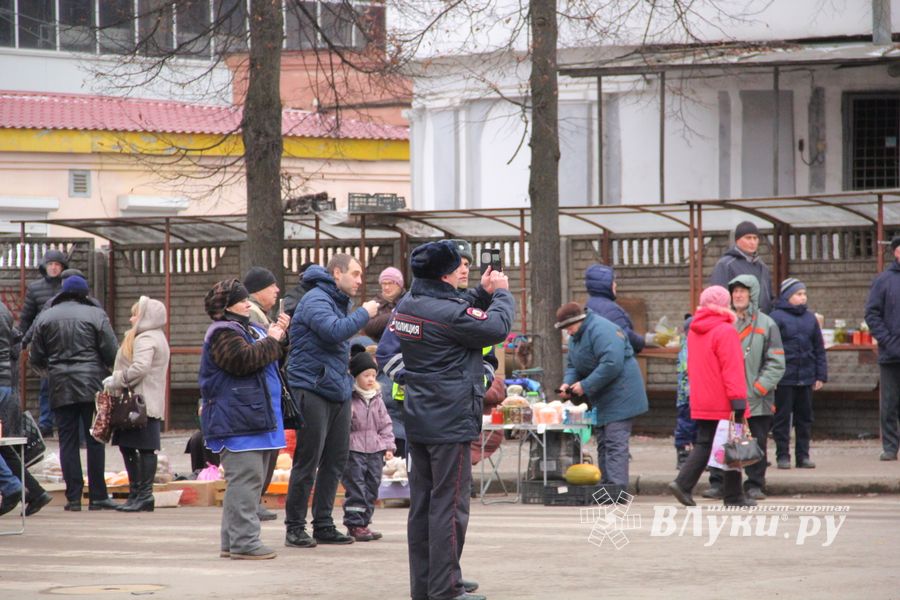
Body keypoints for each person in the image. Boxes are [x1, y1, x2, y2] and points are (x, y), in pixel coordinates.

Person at [393, 240, 514, 600]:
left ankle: (427, 586)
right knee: (450, 508)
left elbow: (454, 312)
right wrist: (502, 295)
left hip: (420, 419)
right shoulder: (445, 313)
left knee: (424, 506)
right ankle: (447, 589)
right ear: (444, 273)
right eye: (458, 265)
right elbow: (495, 328)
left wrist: (481, 291)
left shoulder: (408, 305)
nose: (464, 269)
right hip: (451, 420)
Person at [284, 255, 379, 548]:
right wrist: (364, 313)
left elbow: (335, 341)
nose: (360, 280)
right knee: (308, 460)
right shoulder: (316, 299)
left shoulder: (335, 300)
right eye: (355, 273)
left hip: (335, 389)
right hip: (311, 388)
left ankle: (323, 524)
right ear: (336, 273)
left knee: (336, 460)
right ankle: (295, 527)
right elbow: (334, 331)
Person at [199, 279, 289, 560]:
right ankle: (245, 542)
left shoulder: (250, 328)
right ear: (226, 306)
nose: (248, 303)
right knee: (246, 480)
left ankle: (233, 541)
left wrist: (280, 336)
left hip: (254, 418)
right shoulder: (222, 333)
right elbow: (242, 361)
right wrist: (272, 340)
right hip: (238, 421)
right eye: (241, 300)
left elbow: (271, 358)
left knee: (250, 480)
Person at [29, 275, 119, 511]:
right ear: (84, 294)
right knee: (95, 439)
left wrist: (51, 372)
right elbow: (112, 352)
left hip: (59, 385)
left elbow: (35, 356)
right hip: (91, 383)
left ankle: (73, 498)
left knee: (67, 442)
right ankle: (98, 495)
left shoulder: (46, 316)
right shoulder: (96, 315)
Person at [704, 275, 784, 502]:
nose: (738, 295)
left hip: (757, 397)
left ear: (753, 294)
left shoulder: (767, 324)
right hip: (726, 397)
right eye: (735, 291)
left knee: (755, 440)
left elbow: (776, 362)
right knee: (723, 440)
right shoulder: (723, 322)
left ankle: (755, 484)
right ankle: (719, 483)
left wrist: (757, 388)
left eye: (743, 291)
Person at [668, 285, 749, 508]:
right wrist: (738, 399)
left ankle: (691, 485)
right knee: (733, 445)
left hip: (702, 398)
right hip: (725, 399)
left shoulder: (694, 330)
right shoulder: (725, 331)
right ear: (724, 305)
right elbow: (731, 368)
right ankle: (730, 496)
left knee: (707, 443)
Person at [557, 302, 648, 490]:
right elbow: (573, 365)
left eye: (569, 328)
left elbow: (611, 364)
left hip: (621, 393)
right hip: (602, 395)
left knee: (614, 441)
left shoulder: (602, 330)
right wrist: (568, 383)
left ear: (579, 320)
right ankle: (606, 485)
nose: (569, 333)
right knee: (604, 442)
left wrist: (585, 385)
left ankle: (616, 488)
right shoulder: (577, 336)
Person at [103, 296, 170, 512]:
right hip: (146, 402)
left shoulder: (145, 338)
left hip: (139, 404)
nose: (131, 319)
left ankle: (142, 495)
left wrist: (117, 379)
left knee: (139, 448)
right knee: (135, 447)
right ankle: (138, 494)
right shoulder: (156, 336)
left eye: (135, 314)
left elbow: (141, 368)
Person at [243, 266, 286, 522]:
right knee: (264, 448)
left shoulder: (261, 315)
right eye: (272, 286)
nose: (277, 290)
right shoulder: (254, 317)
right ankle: (254, 501)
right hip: (262, 394)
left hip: (266, 393)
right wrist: (277, 338)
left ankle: (255, 500)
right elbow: (263, 353)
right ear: (258, 290)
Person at [0, 300, 52, 516]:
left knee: (3, 445)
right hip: (6, 384)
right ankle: (34, 491)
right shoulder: (3, 310)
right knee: (3, 446)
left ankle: (13, 487)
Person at [770, 278, 827, 469]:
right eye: (798, 294)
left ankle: (802, 456)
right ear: (788, 296)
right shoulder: (776, 318)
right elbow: (770, 348)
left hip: (806, 377)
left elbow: (819, 348)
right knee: (782, 419)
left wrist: (820, 375)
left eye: (804, 294)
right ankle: (782, 456)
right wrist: (772, 376)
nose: (803, 297)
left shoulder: (810, 318)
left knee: (805, 418)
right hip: (784, 378)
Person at [341, 348, 395, 542]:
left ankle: (364, 522)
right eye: (366, 375)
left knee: (372, 485)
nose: (371, 379)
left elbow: (385, 423)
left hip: (375, 449)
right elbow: (344, 424)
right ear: (355, 377)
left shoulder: (377, 399)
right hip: (354, 449)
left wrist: (388, 446)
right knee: (356, 486)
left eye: (373, 375)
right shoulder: (350, 399)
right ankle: (354, 523)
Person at [18, 249, 69, 436]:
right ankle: (46, 424)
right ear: (44, 267)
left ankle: (63, 424)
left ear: (63, 267)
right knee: (46, 384)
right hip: (45, 343)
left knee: (68, 386)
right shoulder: (35, 288)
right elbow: (26, 317)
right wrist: (21, 340)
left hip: (67, 342)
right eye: (51, 264)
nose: (54, 268)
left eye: (57, 264)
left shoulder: (67, 286)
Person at [864, 234, 900, 462]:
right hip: (890, 355)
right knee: (889, 403)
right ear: (896, 251)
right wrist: (889, 341)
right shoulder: (883, 280)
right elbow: (872, 314)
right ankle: (889, 446)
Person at [710, 221, 774, 314]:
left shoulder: (763, 267)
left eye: (755, 238)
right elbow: (718, 299)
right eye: (748, 238)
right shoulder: (725, 265)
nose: (752, 242)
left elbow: (768, 298)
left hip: (761, 323)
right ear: (737, 240)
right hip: (737, 322)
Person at [583, 263, 645, 353]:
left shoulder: (590, 304)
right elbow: (624, 335)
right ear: (605, 285)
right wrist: (642, 341)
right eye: (613, 282)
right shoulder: (609, 309)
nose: (615, 285)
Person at [674, 315, 696, 469]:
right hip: (686, 397)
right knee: (686, 425)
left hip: (695, 395)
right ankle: (682, 453)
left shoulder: (690, 344)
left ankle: (693, 455)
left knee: (695, 427)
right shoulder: (687, 346)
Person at [363, 267, 406, 343]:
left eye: (390, 283)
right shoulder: (375, 303)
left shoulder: (408, 301)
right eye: (384, 283)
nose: (386, 287)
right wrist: (392, 316)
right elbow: (368, 328)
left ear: (399, 285)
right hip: (379, 345)